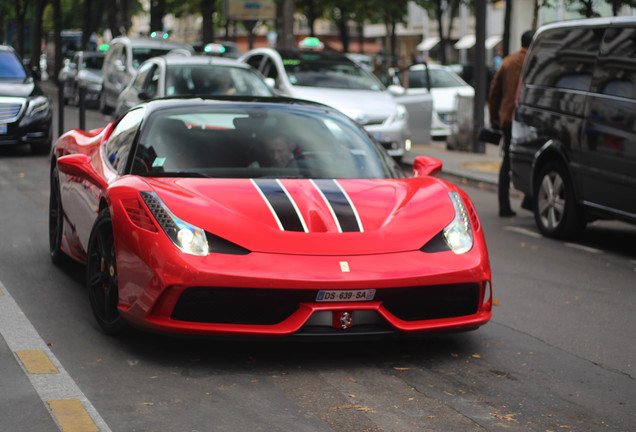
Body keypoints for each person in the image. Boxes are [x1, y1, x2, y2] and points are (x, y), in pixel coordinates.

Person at [488, 30, 534, 217]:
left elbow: (493, 94)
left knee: (507, 161)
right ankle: (530, 200)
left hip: (508, 119)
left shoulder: (507, 62)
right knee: (532, 158)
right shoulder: (534, 62)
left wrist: (494, 119)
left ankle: (504, 205)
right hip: (530, 120)